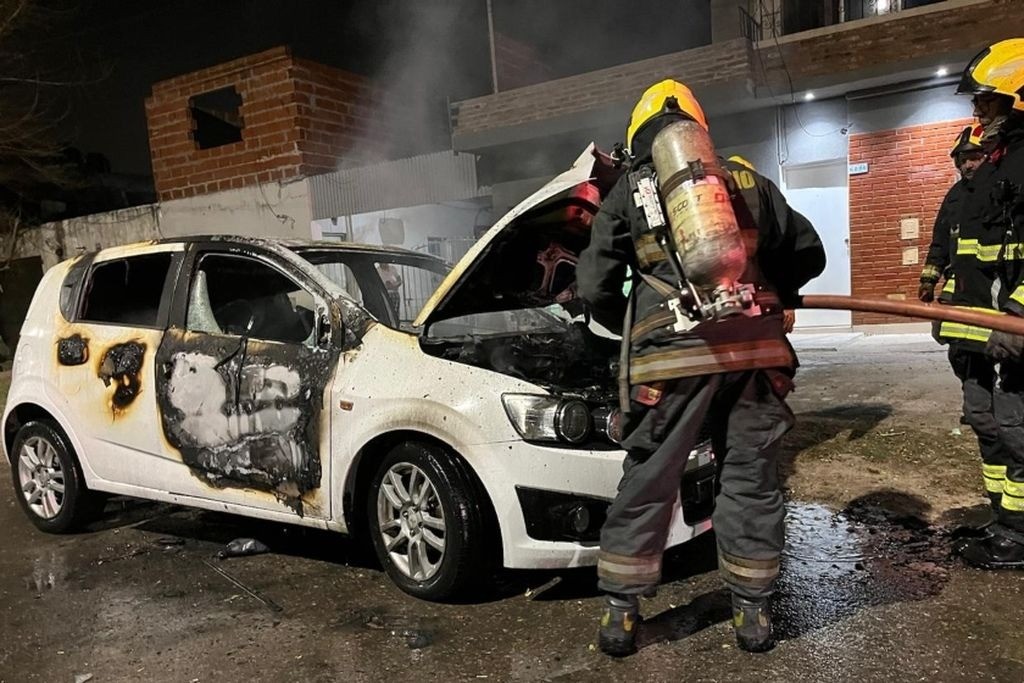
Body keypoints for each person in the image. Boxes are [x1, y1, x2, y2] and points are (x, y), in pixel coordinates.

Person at [576, 79, 825, 656]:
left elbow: (593, 285)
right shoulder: (747, 181)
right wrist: (772, 295)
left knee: (649, 479)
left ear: (640, 136)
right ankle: (753, 615)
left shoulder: (630, 191)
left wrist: (634, 324)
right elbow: (809, 253)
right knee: (751, 479)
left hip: (671, 363)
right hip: (757, 360)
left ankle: (621, 614)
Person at [951, 38, 1024, 569]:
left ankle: (1020, 533)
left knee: (1016, 427)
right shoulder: (999, 165)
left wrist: (1018, 314)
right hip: (983, 326)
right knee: (988, 421)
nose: (978, 111)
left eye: (988, 100)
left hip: (1013, 327)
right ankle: (1005, 519)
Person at [918, 125, 1007, 543]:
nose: (966, 165)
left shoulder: (1003, 190)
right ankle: (1000, 510)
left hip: (998, 315)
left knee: (1005, 419)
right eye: (960, 160)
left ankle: (1011, 515)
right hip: (964, 318)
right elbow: (940, 242)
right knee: (978, 410)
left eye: (971, 157)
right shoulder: (956, 197)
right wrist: (930, 277)